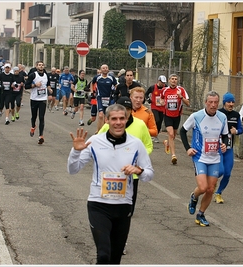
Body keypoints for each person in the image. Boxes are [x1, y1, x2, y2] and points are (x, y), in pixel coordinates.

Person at [67, 104, 154, 264]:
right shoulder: (94, 141)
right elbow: (73, 170)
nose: (118, 122)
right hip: (98, 205)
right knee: (103, 254)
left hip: (123, 206)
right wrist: (76, 152)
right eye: (114, 119)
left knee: (115, 259)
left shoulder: (136, 144)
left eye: (122, 118)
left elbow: (149, 174)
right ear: (107, 120)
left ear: (127, 120)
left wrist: (138, 170)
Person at [180, 91, 228, 226]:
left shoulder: (222, 117)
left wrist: (224, 144)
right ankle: (194, 197)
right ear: (206, 103)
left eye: (215, 102)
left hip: (215, 157)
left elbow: (225, 134)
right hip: (200, 157)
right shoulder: (196, 116)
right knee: (202, 187)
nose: (213, 105)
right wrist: (187, 148)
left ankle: (200, 214)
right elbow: (183, 131)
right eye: (210, 102)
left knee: (210, 189)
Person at [214, 93, 243, 203]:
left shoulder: (236, 115)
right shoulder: (218, 113)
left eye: (232, 102)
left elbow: (241, 129)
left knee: (227, 173)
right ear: (224, 103)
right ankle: (212, 181)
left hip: (229, 148)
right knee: (220, 171)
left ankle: (218, 193)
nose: (231, 104)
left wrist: (236, 131)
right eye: (228, 102)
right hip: (217, 148)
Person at [160, 74, 190, 165]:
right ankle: (173, 155)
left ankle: (167, 142)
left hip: (177, 115)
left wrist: (181, 97)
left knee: (173, 136)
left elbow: (188, 103)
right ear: (169, 80)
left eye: (175, 79)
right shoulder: (165, 90)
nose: (174, 80)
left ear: (177, 81)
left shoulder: (181, 90)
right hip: (167, 115)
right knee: (171, 134)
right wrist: (162, 102)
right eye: (172, 79)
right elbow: (161, 99)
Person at [24, 61, 52, 144]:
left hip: (43, 99)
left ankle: (41, 136)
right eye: (39, 65)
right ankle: (33, 126)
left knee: (41, 117)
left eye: (42, 65)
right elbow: (26, 86)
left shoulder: (46, 75)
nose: (41, 66)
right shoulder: (33, 75)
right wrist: (35, 85)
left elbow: (48, 84)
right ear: (36, 66)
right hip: (34, 98)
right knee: (34, 116)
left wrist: (50, 89)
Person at [92, 64, 117, 133]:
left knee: (107, 116)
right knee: (100, 115)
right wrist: (93, 92)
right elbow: (92, 83)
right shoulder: (97, 77)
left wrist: (116, 93)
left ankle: (104, 131)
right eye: (103, 68)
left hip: (109, 98)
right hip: (100, 98)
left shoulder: (111, 78)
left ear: (108, 69)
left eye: (106, 68)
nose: (105, 69)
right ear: (101, 69)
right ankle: (99, 131)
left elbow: (116, 85)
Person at [145, 75, 167, 143]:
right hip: (154, 107)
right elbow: (146, 94)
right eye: (162, 82)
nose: (163, 84)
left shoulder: (166, 87)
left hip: (162, 107)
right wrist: (149, 100)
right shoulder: (152, 87)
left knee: (160, 122)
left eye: (164, 82)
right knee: (156, 120)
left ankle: (155, 134)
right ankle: (152, 134)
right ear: (158, 81)